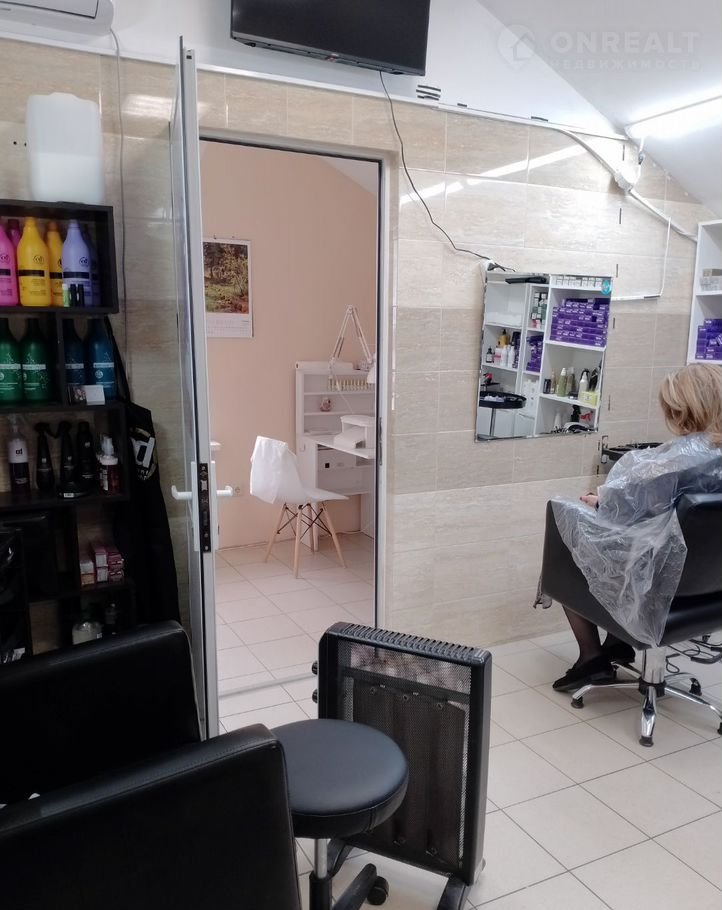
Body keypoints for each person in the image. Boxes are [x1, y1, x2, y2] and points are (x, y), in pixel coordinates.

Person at [547, 363, 722, 692]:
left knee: (564, 538)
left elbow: (622, 509)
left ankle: (591, 658)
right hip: (712, 588)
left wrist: (601, 501)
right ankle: (617, 644)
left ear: (681, 410)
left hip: (662, 588)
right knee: (633, 550)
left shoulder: (672, 463)